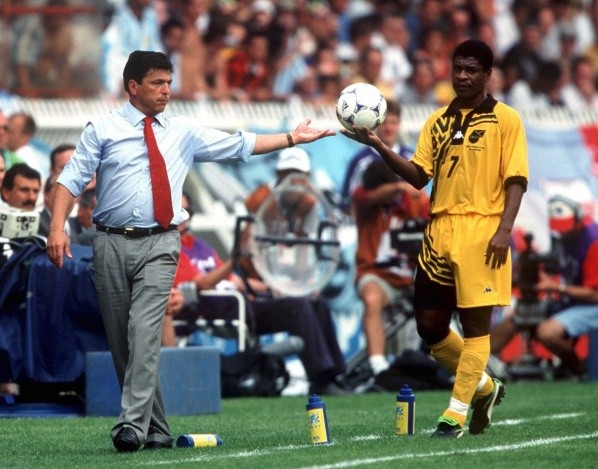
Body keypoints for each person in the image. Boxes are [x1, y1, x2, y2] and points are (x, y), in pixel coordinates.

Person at [45, 50, 334, 452]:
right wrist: (56, 227)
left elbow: (239, 144)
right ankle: (157, 430)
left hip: (162, 241)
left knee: (143, 329)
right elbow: (70, 180)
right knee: (122, 341)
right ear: (133, 87)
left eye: (169, 82)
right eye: (157, 83)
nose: (167, 90)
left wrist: (291, 138)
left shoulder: (182, 130)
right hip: (109, 241)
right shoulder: (103, 129)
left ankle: (129, 425)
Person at [340, 39, 529, 438]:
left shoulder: (506, 119)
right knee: (429, 326)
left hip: (482, 230)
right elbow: (417, 176)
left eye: (471, 70)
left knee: (475, 326)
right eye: (458, 68)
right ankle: (485, 387)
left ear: (487, 75)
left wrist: (504, 229)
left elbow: (516, 179)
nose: (463, 76)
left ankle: (455, 414)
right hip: (439, 230)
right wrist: (378, 144)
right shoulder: (437, 121)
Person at [165, 193, 348, 396]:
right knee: (297, 307)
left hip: (238, 302)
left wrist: (277, 287)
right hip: (218, 308)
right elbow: (203, 284)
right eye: (178, 211)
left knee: (314, 300)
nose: (184, 216)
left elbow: (235, 281)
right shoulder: (172, 248)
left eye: (187, 211)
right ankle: (321, 378)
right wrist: (234, 260)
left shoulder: (200, 246)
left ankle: (338, 374)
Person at [352, 160, 429, 376]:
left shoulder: (416, 201)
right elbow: (373, 196)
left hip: (412, 277)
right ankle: (377, 364)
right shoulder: (363, 198)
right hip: (376, 275)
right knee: (372, 299)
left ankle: (447, 364)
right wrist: (399, 187)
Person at [534, 196, 598, 377]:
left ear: (578, 219)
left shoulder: (593, 242)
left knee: (547, 333)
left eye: (566, 227)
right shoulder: (562, 238)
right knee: (517, 316)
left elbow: (595, 294)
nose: (563, 232)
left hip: (592, 304)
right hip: (572, 300)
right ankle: (487, 365)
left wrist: (556, 287)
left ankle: (579, 369)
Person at [340, 100, 414, 213]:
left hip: (405, 219)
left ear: (399, 125)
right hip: (369, 219)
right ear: (376, 124)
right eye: (384, 123)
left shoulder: (411, 157)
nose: (389, 128)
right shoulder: (361, 160)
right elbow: (348, 201)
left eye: (393, 123)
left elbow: (420, 194)